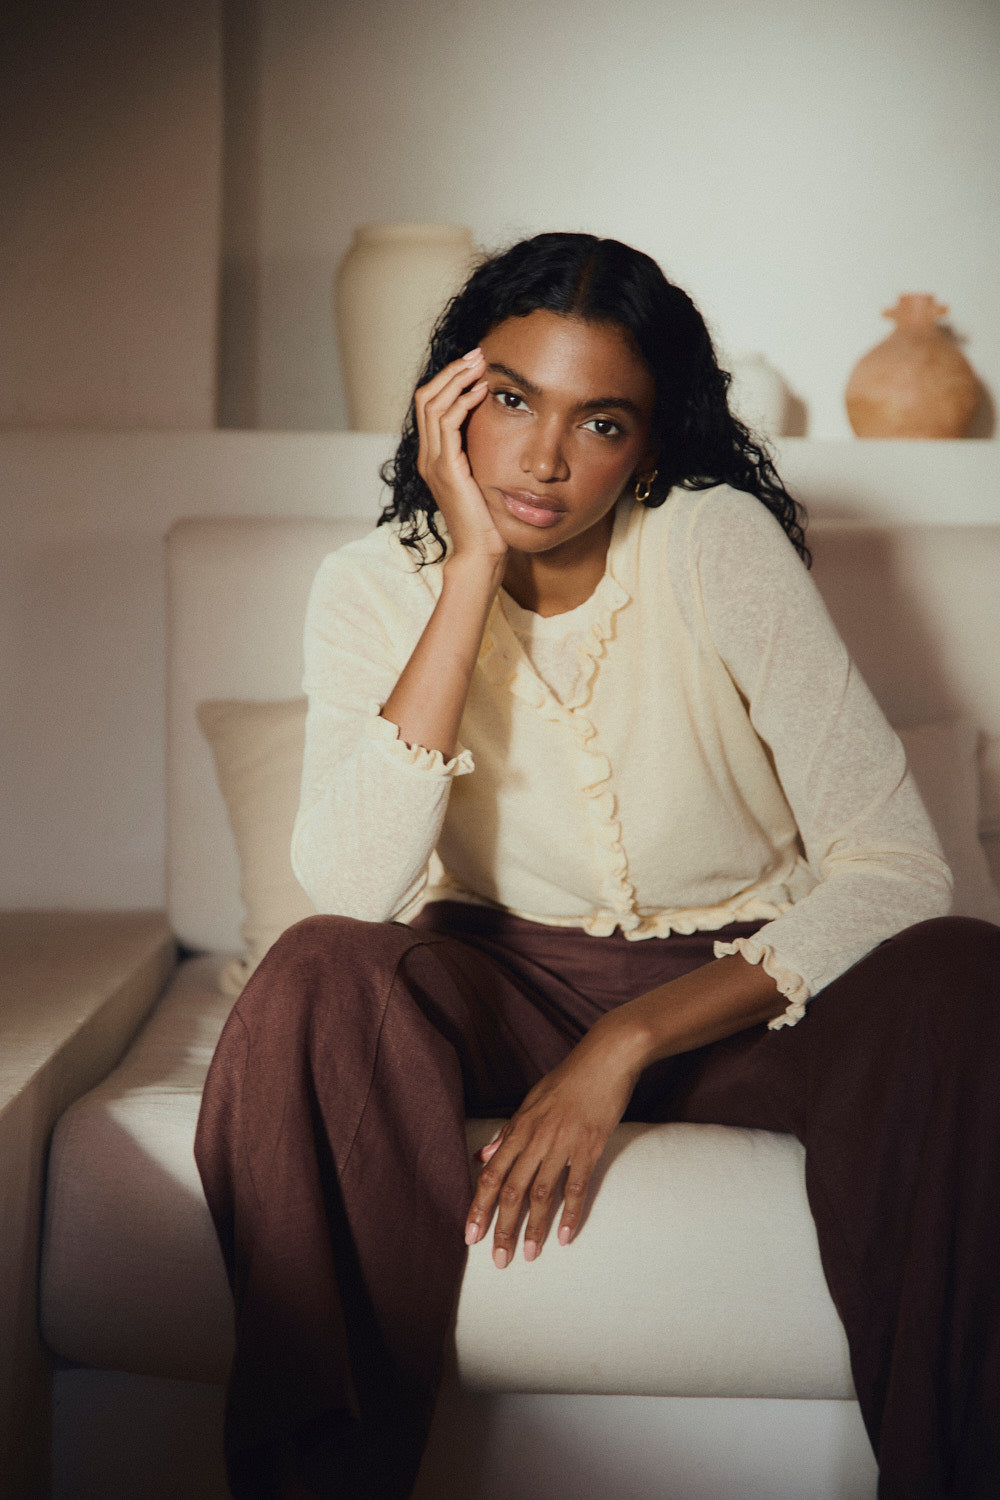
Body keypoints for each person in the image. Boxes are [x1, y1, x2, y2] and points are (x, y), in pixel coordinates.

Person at [195, 232, 1000, 1499]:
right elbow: (351, 890)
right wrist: (469, 570)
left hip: (746, 995)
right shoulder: (368, 586)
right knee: (313, 973)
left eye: (601, 422)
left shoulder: (712, 543)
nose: (544, 459)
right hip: (501, 984)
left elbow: (899, 871)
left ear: (649, 444)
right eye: (512, 401)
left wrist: (623, 1044)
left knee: (962, 975)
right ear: (451, 399)